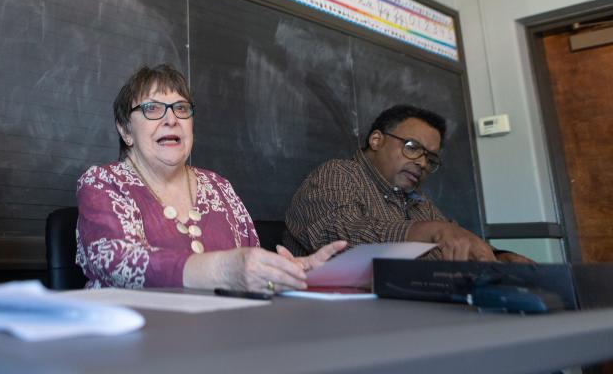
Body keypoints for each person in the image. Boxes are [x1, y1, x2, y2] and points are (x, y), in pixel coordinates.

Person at [76, 64, 345, 293]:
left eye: (181, 108)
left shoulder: (219, 187)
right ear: (125, 131)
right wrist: (223, 270)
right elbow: (120, 263)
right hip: (137, 342)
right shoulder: (103, 183)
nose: (171, 119)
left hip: (226, 336)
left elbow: (248, 263)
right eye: (153, 108)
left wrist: (285, 273)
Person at [284, 104, 531, 263]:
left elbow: (452, 244)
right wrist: (432, 232)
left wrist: (500, 258)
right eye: (413, 148)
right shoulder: (338, 174)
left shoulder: (419, 203)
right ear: (377, 140)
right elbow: (345, 240)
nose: (423, 163)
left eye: (430, 158)